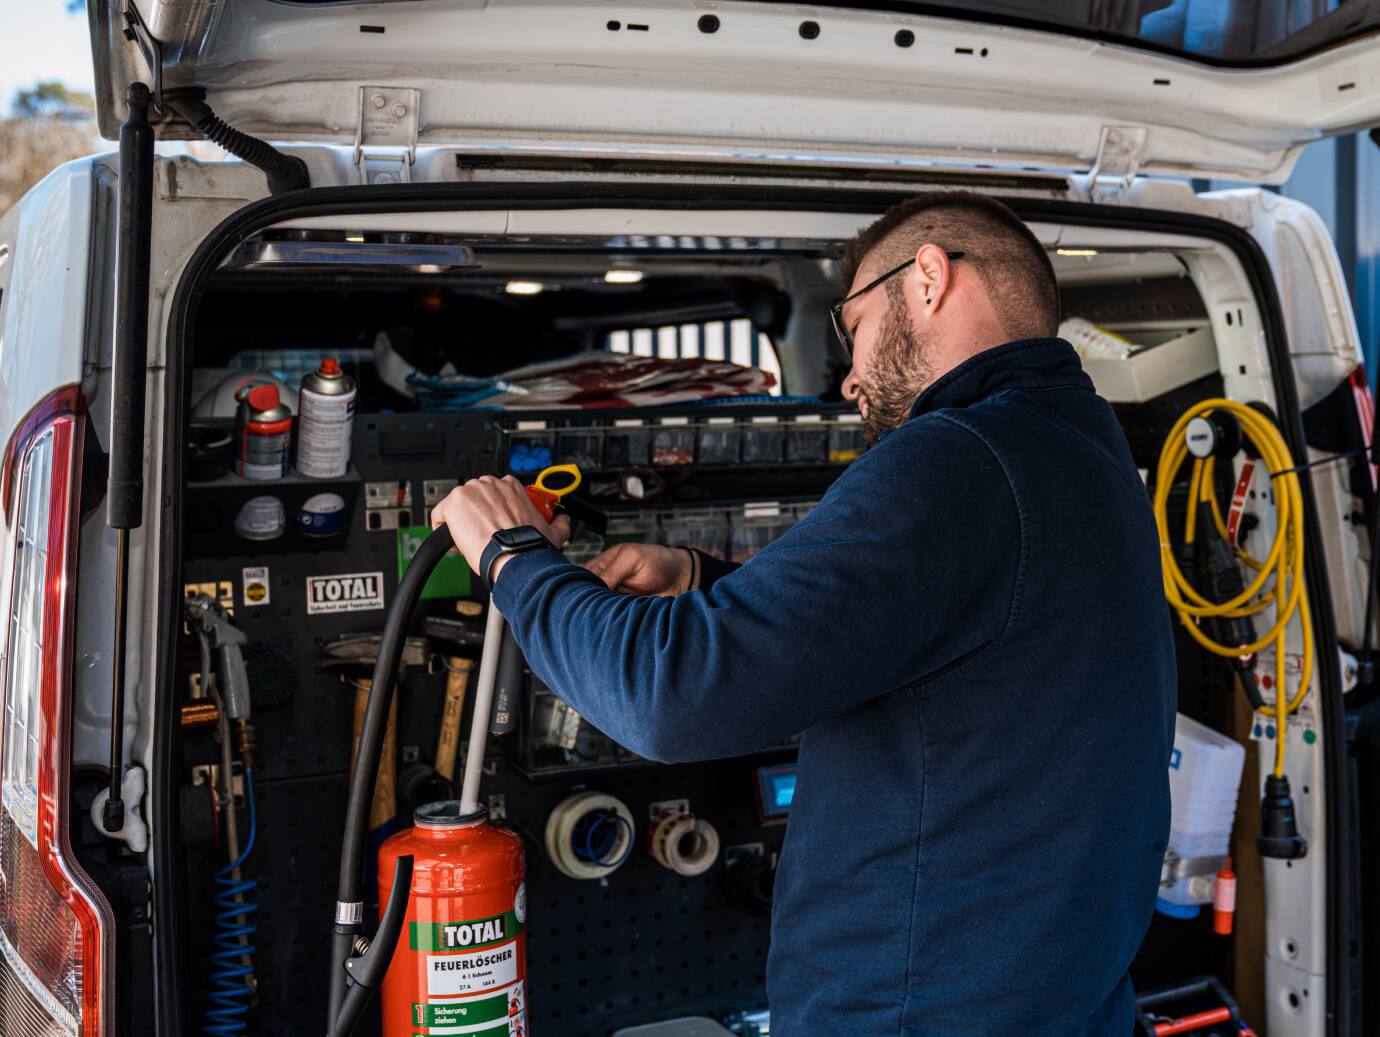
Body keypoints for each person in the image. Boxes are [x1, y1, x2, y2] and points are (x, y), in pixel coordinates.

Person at [431, 190, 1175, 1036]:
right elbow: (930, 638)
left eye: (851, 325)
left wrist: (511, 558)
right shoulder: (1079, 450)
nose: (852, 376)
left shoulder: (954, 454)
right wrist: (702, 580)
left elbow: (673, 696)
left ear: (927, 277)